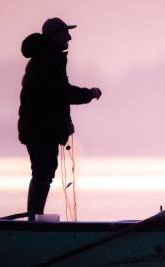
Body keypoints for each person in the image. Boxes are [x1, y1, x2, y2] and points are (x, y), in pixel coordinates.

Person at [18, 18, 102, 219]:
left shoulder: (48, 57)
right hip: (40, 129)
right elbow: (61, 93)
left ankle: (34, 218)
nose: (69, 37)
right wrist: (89, 93)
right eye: (65, 33)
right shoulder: (48, 59)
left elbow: (54, 98)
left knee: (43, 171)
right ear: (53, 36)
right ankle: (33, 220)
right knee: (43, 172)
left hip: (39, 128)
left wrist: (65, 124)